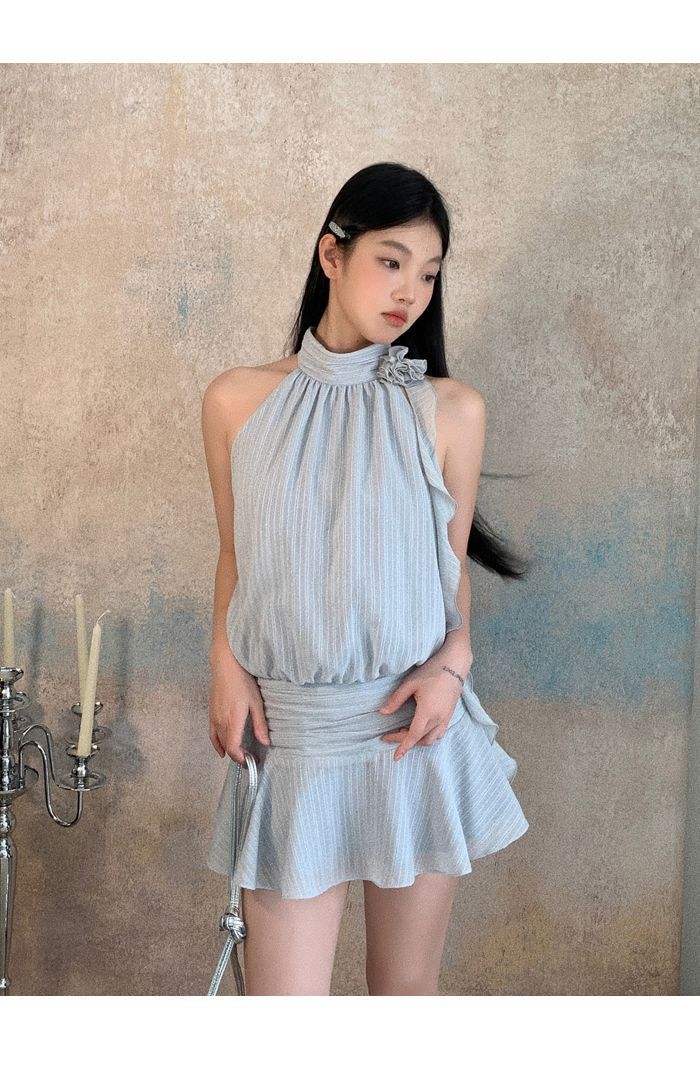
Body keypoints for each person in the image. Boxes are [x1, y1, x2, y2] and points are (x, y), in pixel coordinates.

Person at [201, 161, 530, 996]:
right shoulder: (237, 400)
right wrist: (225, 666)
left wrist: (453, 667)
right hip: (295, 735)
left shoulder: (451, 410)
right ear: (331, 255)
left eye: (429, 273)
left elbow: (449, 574)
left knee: (402, 1008)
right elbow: (236, 555)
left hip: (412, 736)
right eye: (391, 261)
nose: (410, 292)